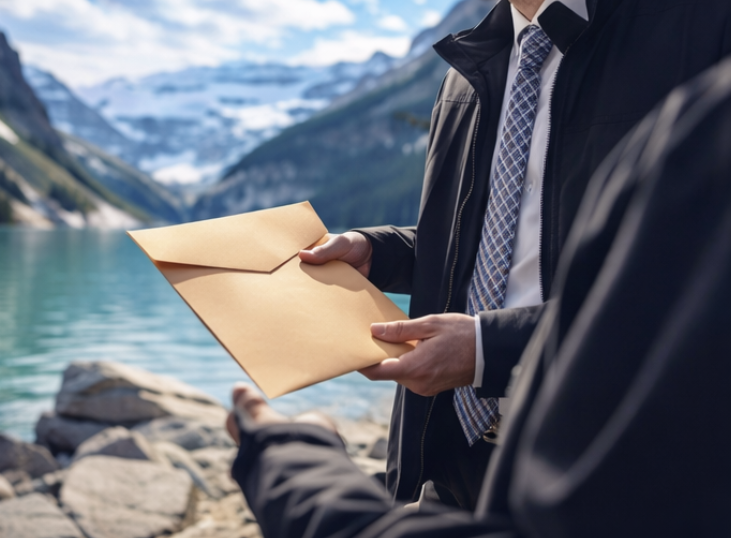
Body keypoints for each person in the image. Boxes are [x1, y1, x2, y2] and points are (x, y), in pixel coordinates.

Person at [227, 55, 731, 538]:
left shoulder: (699, 49)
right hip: (451, 446)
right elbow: (501, 236)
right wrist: (382, 252)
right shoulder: (467, 73)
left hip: (578, 451)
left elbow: (669, 301)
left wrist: (492, 347)